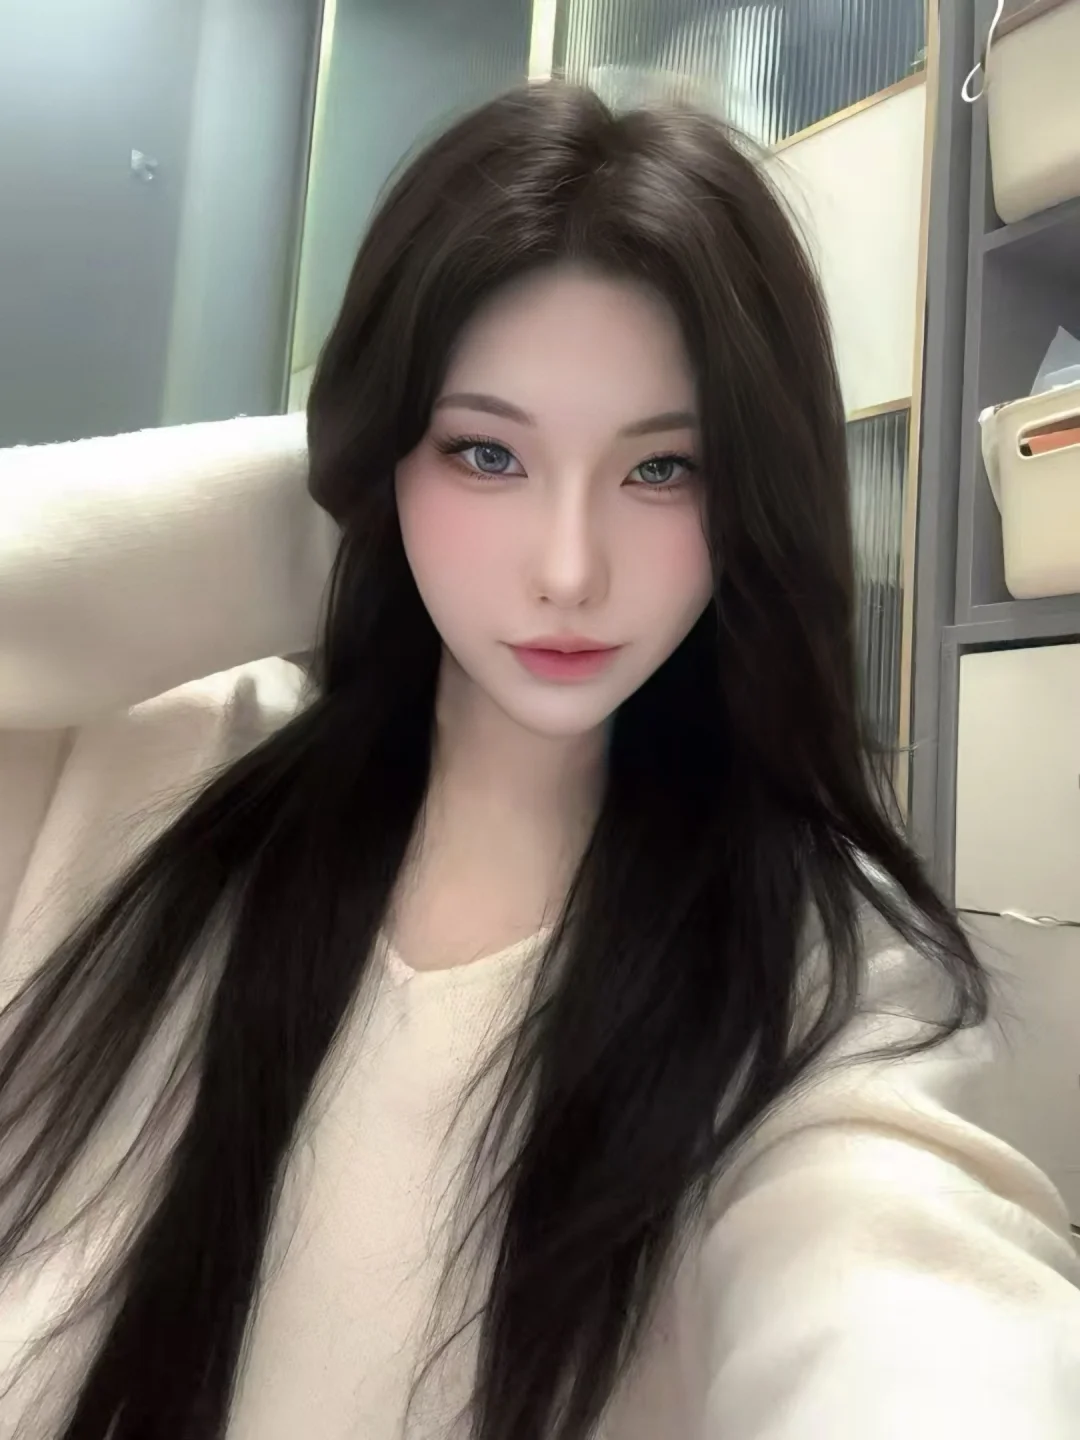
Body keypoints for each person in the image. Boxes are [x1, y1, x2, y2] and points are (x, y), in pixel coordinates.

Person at [0, 83, 1077, 1440]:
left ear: (752, 493)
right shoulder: (140, 773)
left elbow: (906, 1295)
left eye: (661, 470)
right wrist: (329, 510)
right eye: (486, 452)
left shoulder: (822, 968)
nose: (569, 572)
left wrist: (443, 484)